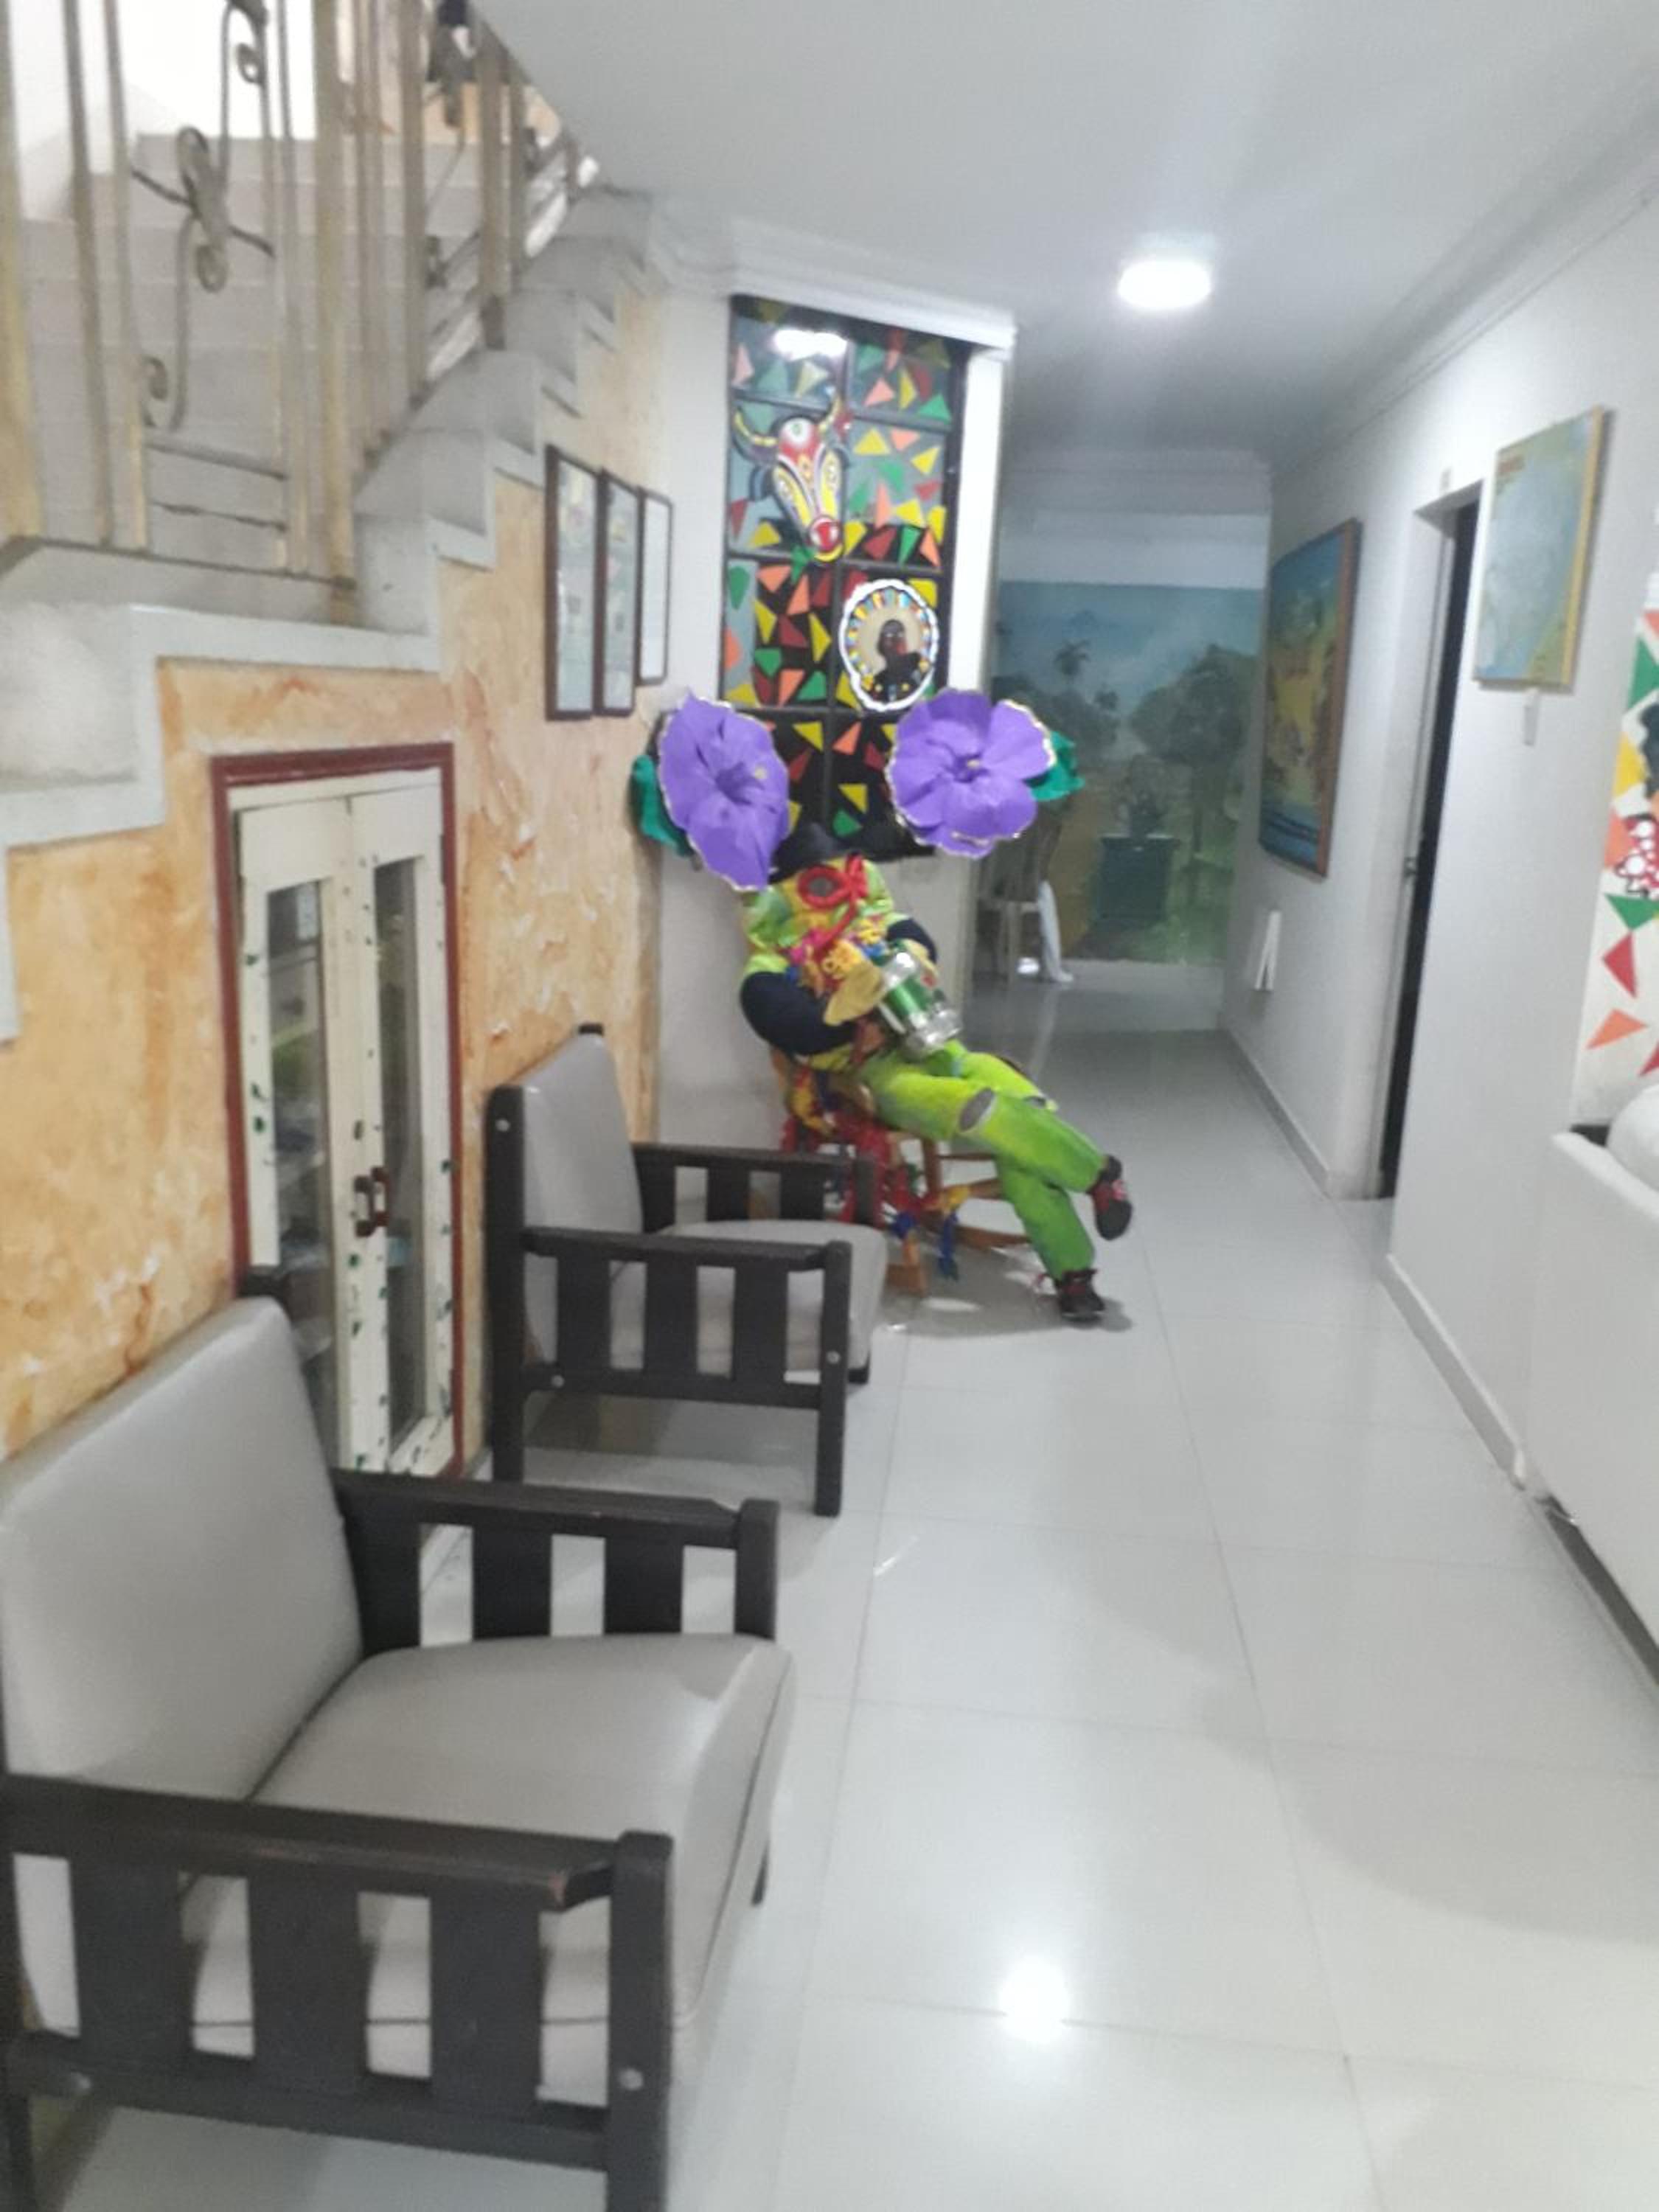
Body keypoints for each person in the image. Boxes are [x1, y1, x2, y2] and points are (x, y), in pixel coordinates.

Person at [738, 823, 1131, 1322]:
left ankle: (1076, 1261)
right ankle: (1093, 1190)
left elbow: (914, 937)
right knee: (981, 1110)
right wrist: (844, 1018)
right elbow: (784, 1022)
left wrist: (912, 957)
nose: (845, 892)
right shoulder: (772, 966)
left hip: (935, 1044)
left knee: (1017, 1102)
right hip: (869, 1075)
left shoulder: (874, 923)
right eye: (825, 882)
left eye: (851, 875)